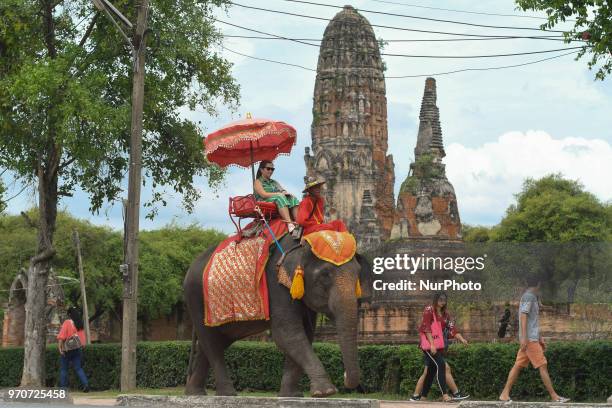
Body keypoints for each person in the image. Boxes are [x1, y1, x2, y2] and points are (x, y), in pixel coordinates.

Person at [499, 276, 570, 403]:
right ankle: (554, 396)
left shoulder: (532, 297)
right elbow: (523, 317)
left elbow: (533, 321)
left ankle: (504, 394)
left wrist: (540, 336)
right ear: (538, 284)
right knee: (543, 366)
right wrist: (525, 338)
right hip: (530, 340)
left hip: (531, 338)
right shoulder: (529, 297)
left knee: (518, 365)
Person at [414, 292, 469, 403]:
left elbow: (452, 329)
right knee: (441, 365)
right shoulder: (429, 310)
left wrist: (462, 339)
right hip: (429, 345)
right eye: (440, 299)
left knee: (430, 371)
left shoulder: (445, 314)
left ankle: (422, 397)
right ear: (435, 299)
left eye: (444, 300)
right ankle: (445, 395)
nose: (442, 302)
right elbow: (426, 328)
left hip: (438, 347)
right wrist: (432, 345)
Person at [253, 160, 300, 232]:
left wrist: (285, 193)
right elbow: (263, 194)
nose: (270, 171)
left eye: (272, 169)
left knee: (292, 197)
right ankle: (289, 223)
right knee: (280, 197)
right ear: (261, 170)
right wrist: (278, 194)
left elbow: (282, 190)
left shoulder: (274, 182)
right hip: (264, 201)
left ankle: (298, 222)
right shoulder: (257, 182)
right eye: (268, 168)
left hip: (276, 199)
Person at [57, 306, 90, 392]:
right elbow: (82, 340)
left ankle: (63, 389)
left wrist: (60, 348)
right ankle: (86, 385)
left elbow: (61, 337)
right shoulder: (79, 323)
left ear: (69, 314)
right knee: (78, 368)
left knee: (64, 369)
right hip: (77, 349)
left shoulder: (67, 322)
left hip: (67, 349)